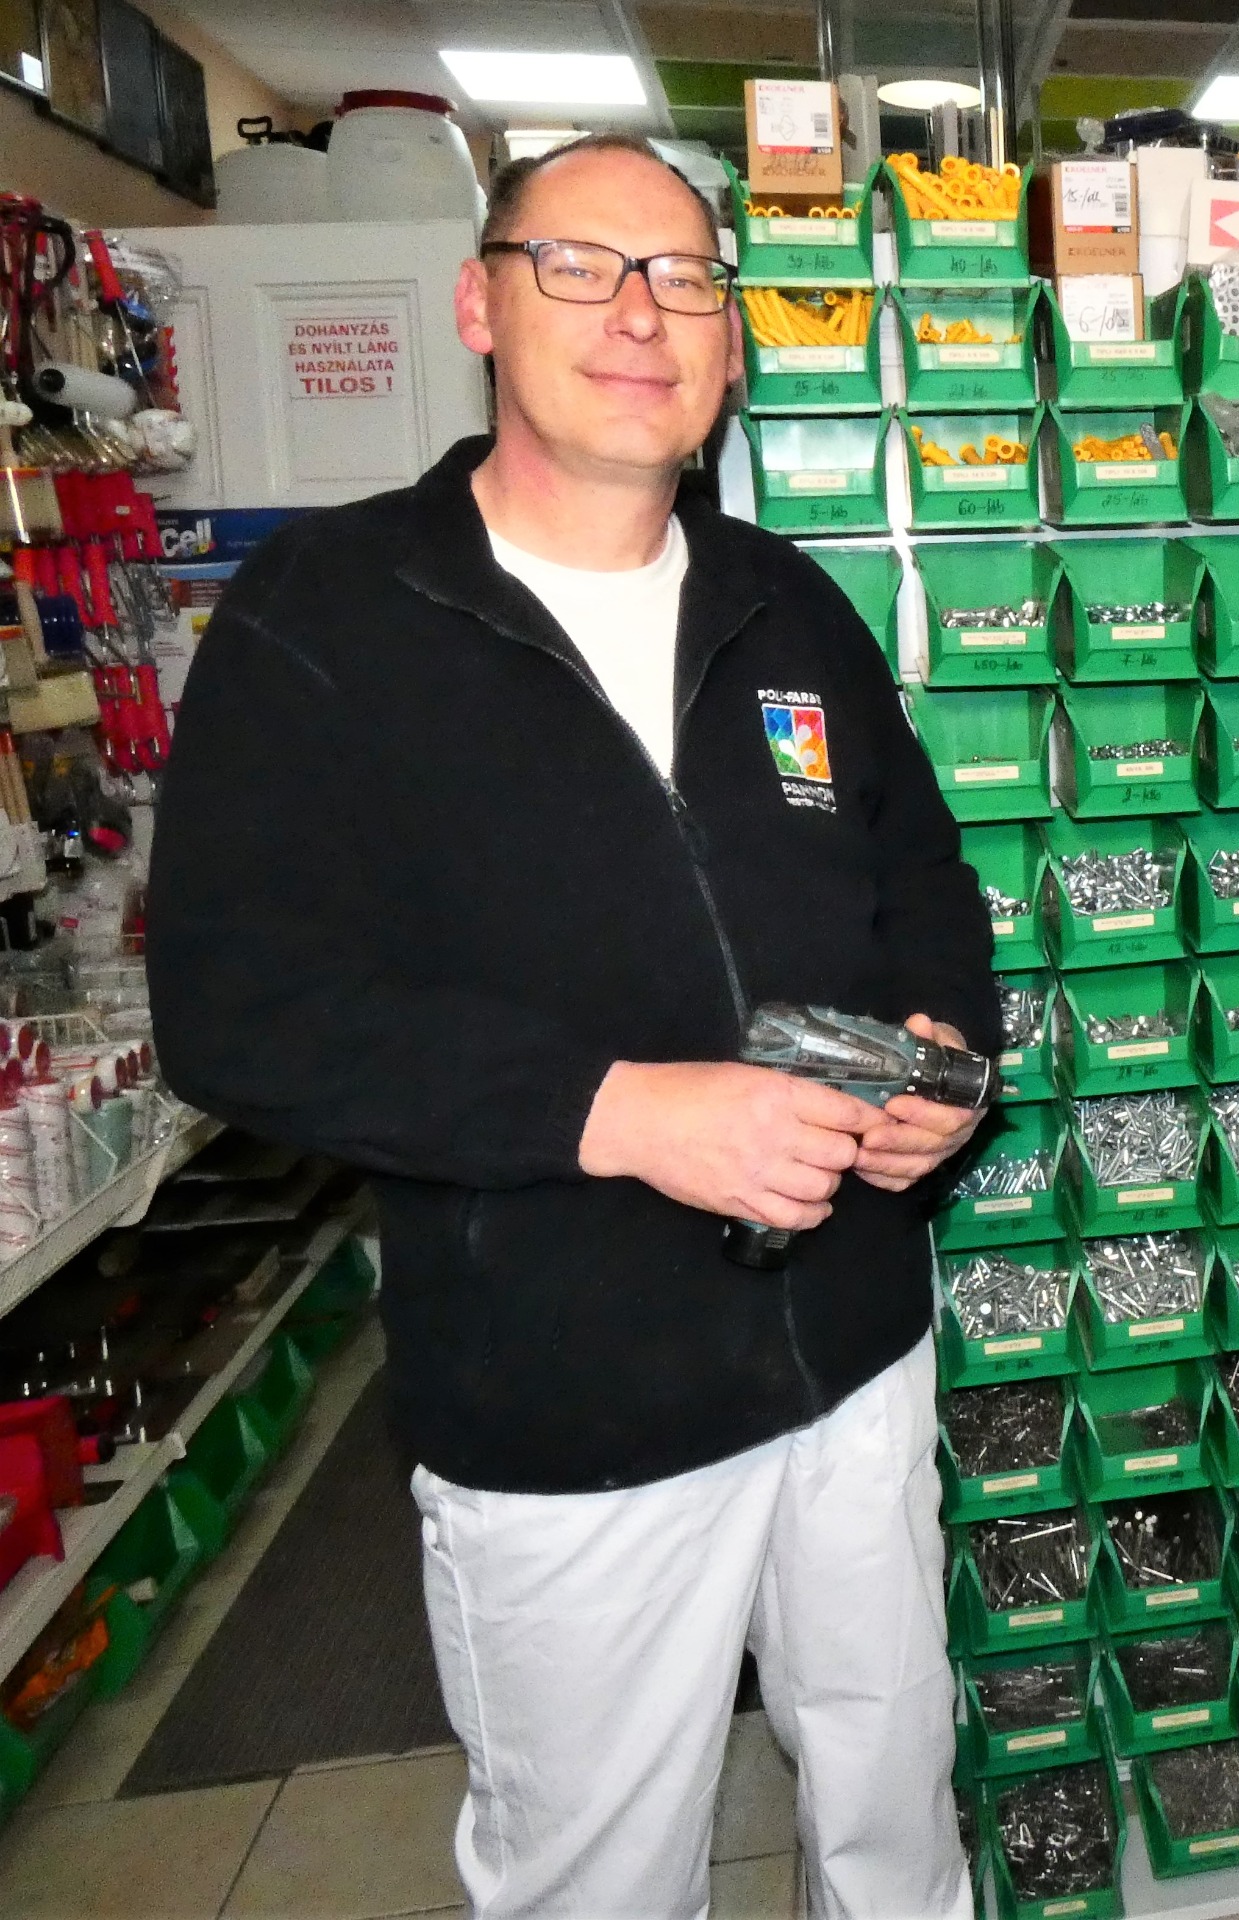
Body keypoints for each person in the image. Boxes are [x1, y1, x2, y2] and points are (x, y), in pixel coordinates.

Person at [147, 133, 998, 1920]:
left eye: (686, 279)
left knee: (894, 1813)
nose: (640, 315)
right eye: (580, 266)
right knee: (597, 1875)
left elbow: (919, 867)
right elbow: (240, 1009)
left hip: (854, 1352)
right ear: (481, 304)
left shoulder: (786, 600)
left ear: (731, 345)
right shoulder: (329, 619)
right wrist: (619, 1110)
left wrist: (948, 1054)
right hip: (569, 1402)